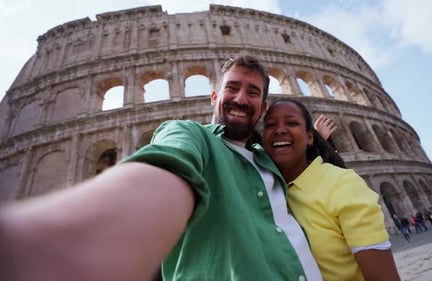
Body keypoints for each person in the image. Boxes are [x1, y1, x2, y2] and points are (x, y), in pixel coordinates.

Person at [0, 56, 323, 281]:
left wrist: (317, 140)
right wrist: (64, 243)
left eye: (253, 92)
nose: (241, 98)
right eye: (232, 88)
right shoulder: (190, 136)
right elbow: (166, 170)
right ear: (214, 97)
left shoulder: (269, 160)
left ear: (263, 107)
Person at [261, 98, 401, 281]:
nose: (279, 130)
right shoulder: (265, 189)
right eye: (270, 125)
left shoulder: (343, 184)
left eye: (292, 123)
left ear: (310, 137)